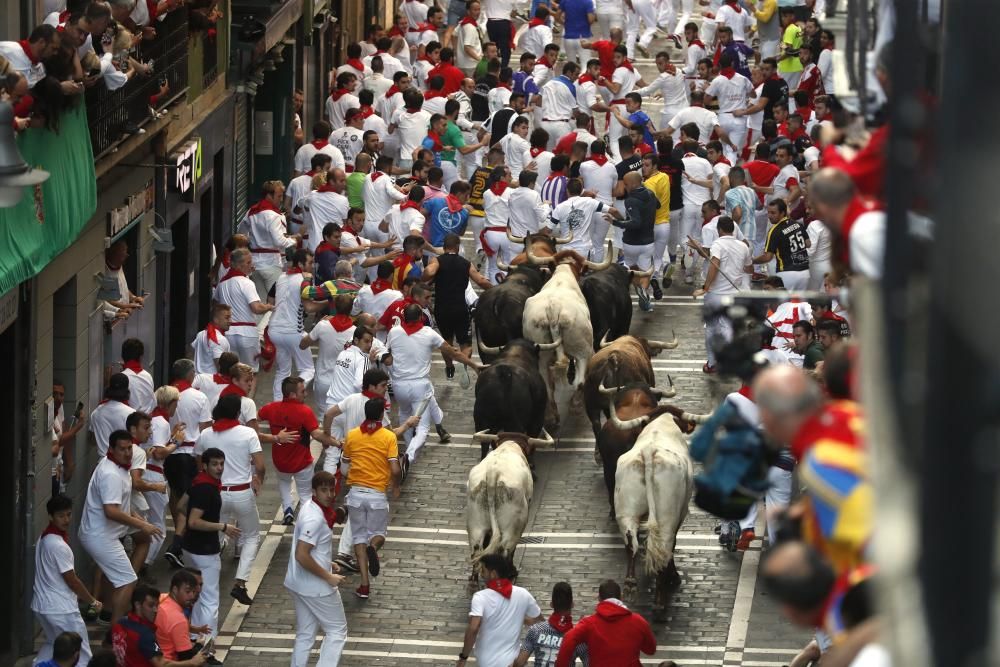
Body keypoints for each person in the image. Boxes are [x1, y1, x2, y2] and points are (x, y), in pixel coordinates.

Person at [387, 303, 481, 472]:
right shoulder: (429, 334)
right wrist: (473, 365)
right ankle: (409, 455)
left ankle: (410, 454)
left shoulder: (393, 332)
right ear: (421, 318)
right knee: (422, 428)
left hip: (399, 386)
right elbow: (453, 352)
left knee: (404, 416)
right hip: (419, 386)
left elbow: (388, 355)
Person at [80, 430, 160, 623]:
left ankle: (108, 613)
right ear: (111, 449)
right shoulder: (111, 474)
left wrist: (137, 517)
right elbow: (111, 511)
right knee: (128, 581)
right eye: (122, 449)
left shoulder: (118, 467)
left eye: (129, 448)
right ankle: (116, 631)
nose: (127, 453)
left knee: (115, 575)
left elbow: (120, 503)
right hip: (100, 536)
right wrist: (142, 524)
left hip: (106, 534)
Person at [194, 394, 265, 608]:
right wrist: (258, 479)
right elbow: (260, 465)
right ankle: (240, 581)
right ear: (237, 412)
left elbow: (199, 462)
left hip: (216, 493)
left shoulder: (206, 434)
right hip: (242, 492)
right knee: (251, 536)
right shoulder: (248, 433)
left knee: (214, 535)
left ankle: (205, 579)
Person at [284, 471, 349, 666]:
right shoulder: (316, 519)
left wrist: (327, 561)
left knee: (305, 633)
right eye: (324, 490)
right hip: (316, 587)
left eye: (331, 490)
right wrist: (328, 576)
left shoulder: (310, 507)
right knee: (337, 631)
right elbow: (302, 554)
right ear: (314, 491)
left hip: (297, 583)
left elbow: (311, 549)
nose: (329, 495)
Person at [341, 398, 402, 599]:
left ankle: (364, 585)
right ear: (382, 415)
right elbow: (394, 467)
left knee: (357, 538)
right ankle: (373, 548)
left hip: (356, 494)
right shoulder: (388, 437)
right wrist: (396, 486)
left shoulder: (352, 435)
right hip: (376, 494)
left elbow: (344, 467)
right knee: (378, 535)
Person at [32, 494, 99, 666]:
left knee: (53, 643)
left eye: (68, 514)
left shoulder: (44, 538)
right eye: (61, 516)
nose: (66, 519)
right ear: (51, 517)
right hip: (61, 610)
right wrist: (92, 601)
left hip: (43, 606)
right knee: (81, 651)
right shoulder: (59, 546)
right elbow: (72, 580)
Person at [181, 445, 238, 641]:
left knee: (195, 596)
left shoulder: (198, 482)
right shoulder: (207, 490)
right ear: (205, 466)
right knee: (210, 600)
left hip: (189, 548)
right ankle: (208, 645)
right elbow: (194, 521)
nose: (219, 468)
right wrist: (222, 527)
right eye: (214, 464)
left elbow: (181, 506)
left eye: (221, 464)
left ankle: (193, 637)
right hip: (205, 551)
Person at [259, 376, 334, 525]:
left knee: (284, 484)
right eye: (302, 391)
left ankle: (288, 509)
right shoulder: (304, 411)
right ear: (293, 394)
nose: (306, 394)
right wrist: (334, 442)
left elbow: (252, 419)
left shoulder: (271, 408)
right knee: (306, 493)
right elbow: (316, 434)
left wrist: (270, 436)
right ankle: (307, 521)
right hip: (301, 462)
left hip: (280, 461)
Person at [422, 233, 493, 380]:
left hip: (442, 309)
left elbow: (430, 271)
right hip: (460, 308)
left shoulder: (438, 260)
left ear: (444, 247)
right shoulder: (466, 263)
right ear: (458, 247)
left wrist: (425, 277)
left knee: (447, 341)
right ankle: (464, 364)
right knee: (465, 343)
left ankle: (449, 367)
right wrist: (495, 289)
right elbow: (480, 281)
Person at [457, 554, 543, 667]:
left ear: (493, 574)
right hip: (512, 661)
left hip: (486, 661)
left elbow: (473, 628)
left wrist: (463, 658)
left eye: (483, 571)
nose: (481, 575)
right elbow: (540, 623)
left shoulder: (480, 597)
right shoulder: (523, 594)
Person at [695, 217, 752, 374]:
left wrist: (706, 287)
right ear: (733, 229)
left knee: (712, 329)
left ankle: (713, 363)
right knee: (729, 328)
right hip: (734, 294)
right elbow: (750, 269)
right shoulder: (743, 246)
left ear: (719, 230)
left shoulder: (717, 244)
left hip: (716, 294)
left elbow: (714, 266)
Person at [555, 579, 655, 666]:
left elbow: (568, 638)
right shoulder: (639, 621)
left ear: (599, 599)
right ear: (621, 597)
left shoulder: (588, 624)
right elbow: (650, 650)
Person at [267, 249, 318, 401]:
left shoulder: (281, 276)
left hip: (274, 331)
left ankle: (278, 403)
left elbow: (270, 299)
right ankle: (292, 395)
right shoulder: (305, 279)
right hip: (293, 332)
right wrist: (328, 302)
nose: (312, 266)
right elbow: (309, 307)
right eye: (309, 263)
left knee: (282, 370)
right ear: (301, 264)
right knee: (308, 369)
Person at [213, 248, 275, 370]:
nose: (251, 265)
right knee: (250, 373)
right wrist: (269, 307)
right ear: (238, 265)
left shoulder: (222, 284)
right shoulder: (246, 283)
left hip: (228, 334)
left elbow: (216, 303)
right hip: (247, 335)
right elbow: (256, 308)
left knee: (231, 372)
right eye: (248, 262)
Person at [607, 171, 658, 311]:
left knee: (633, 269)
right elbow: (658, 206)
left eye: (627, 184)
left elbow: (635, 223)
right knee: (646, 271)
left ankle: (640, 291)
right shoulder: (651, 194)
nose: (625, 187)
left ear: (634, 184)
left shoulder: (631, 200)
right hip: (648, 242)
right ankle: (645, 297)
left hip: (631, 243)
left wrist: (615, 222)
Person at [513, 582, 587, 666]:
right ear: (572, 604)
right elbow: (590, 663)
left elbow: (519, 663)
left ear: (551, 604)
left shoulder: (536, 630)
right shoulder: (578, 637)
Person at [752, 199, 811, 290]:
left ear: (782, 213)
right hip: (805, 272)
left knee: (784, 303)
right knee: (801, 303)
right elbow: (808, 244)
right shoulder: (797, 224)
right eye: (768, 212)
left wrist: (752, 261)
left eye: (773, 213)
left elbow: (767, 257)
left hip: (787, 272)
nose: (769, 216)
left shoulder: (774, 231)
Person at [154, 569, 205, 665]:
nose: (191, 596)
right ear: (175, 589)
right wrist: (198, 647)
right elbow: (186, 657)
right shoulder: (178, 619)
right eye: (187, 591)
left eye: (193, 592)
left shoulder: (161, 598)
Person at [641, 153, 672, 294]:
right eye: (642, 165)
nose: (643, 168)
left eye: (647, 165)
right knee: (658, 257)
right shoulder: (664, 177)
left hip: (651, 226)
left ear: (654, 166)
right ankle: (660, 273)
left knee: (646, 258)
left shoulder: (648, 184)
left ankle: (649, 285)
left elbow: (650, 204)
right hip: (664, 224)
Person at [109, 585, 163, 667]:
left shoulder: (119, 623)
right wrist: (189, 663)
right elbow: (161, 664)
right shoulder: (145, 633)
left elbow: (106, 645)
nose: (156, 610)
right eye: (151, 605)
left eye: (157, 605)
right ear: (137, 605)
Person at [90, 373, 135, 457]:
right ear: (127, 391)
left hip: (102, 462)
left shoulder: (96, 412)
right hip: (123, 462)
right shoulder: (132, 414)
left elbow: (92, 440)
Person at [190, 304, 232, 374]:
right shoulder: (219, 339)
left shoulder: (201, 334)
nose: (230, 321)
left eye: (230, 317)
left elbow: (191, 353)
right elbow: (221, 367)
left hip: (198, 380)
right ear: (216, 320)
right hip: (213, 382)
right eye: (227, 318)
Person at [121, 338, 155, 414]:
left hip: (128, 422)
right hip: (147, 421)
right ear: (141, 357)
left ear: (123, 356)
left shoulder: (122, 377)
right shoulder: (148, 376)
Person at [776, 7, 803, 91]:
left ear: (792, 16)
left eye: (785, 16)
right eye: (782, 17)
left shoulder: (789, 30)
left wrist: (777, 59)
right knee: (793, 92)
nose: (783, 19)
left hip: (788, 67)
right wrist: (782, 42)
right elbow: (795, 45)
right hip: (798, 65)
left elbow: (789, 51)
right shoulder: (798, 28)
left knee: (785, 93)